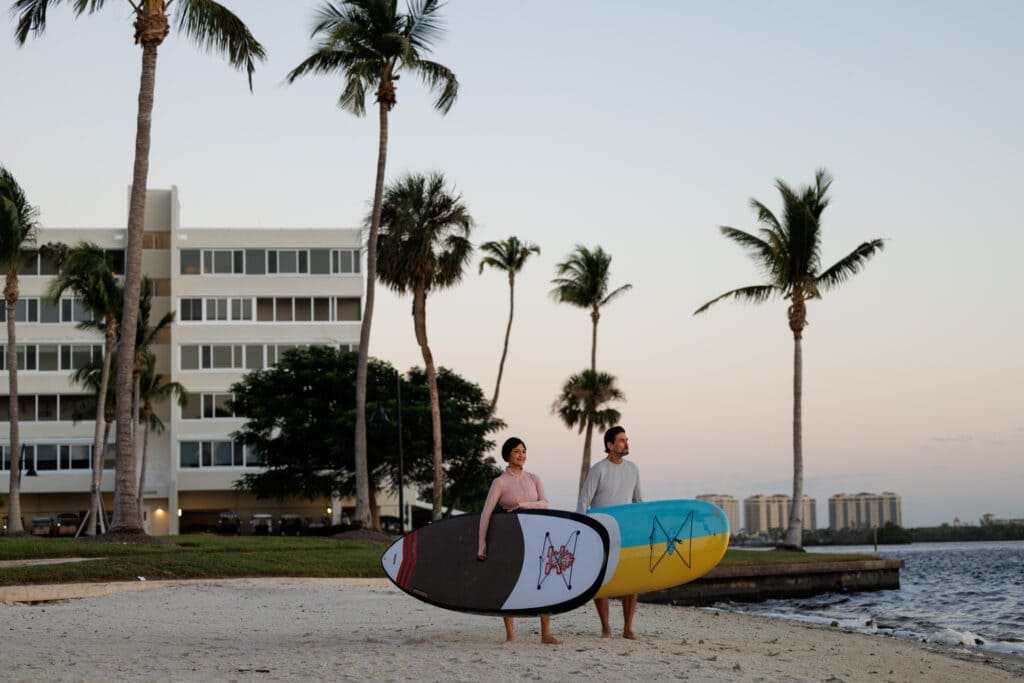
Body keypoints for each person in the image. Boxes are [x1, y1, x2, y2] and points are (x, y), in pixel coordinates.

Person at [477, 437, 562, 645]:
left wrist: (522, 505)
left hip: (538, 535)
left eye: (524, 451)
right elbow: (486, 514)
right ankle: (510, 635)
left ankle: (545, 634)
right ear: (507, 455)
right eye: (517, 451)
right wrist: (482, 543)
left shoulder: (534, 478)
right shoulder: (500, 482)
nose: (522, 455)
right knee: (509, 581)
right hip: (512, 537)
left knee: (543, 581)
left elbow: (545, 503)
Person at [576, 425, 643, 639]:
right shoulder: (599, 469)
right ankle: (606, 627)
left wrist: (642, 527)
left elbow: (638, 501)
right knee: (601, 581)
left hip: (626, 534)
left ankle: (628, 628)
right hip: (600, 533)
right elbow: (584, 500)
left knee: (632, 581)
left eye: (626, 439)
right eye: (622, 440)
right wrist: (583, 529)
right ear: (610, 445)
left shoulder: (632, 469)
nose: (626, 443)